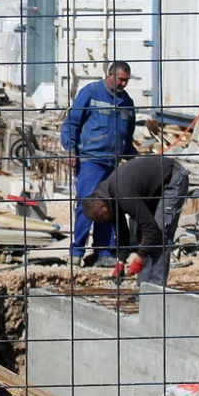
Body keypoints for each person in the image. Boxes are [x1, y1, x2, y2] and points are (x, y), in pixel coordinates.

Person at [61, 61, 136, 265]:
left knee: (108, 208)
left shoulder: (126, 102)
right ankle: (76, 252)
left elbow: (127, 136)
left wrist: (135, 159)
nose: (123, 84)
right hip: (91, 161)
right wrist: (70, 150)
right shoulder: (91, 92)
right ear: (109, 75)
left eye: (126, 81)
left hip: (112, 163)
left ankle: (102, 252)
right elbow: (72, 122)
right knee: (87, 205)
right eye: (121, 79)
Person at [80, 154, 190, 287]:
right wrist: (120, 261)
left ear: (102, 206)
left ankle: (155, 292)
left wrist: (139, 258)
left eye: (100, 218)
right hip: (154, 187)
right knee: (143, 236)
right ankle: (143, 288)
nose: (102, 221)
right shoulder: (107, 197)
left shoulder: (122, 193)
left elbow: (150, 228)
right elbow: (122, 231)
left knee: (160, 236)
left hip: (172, 179)